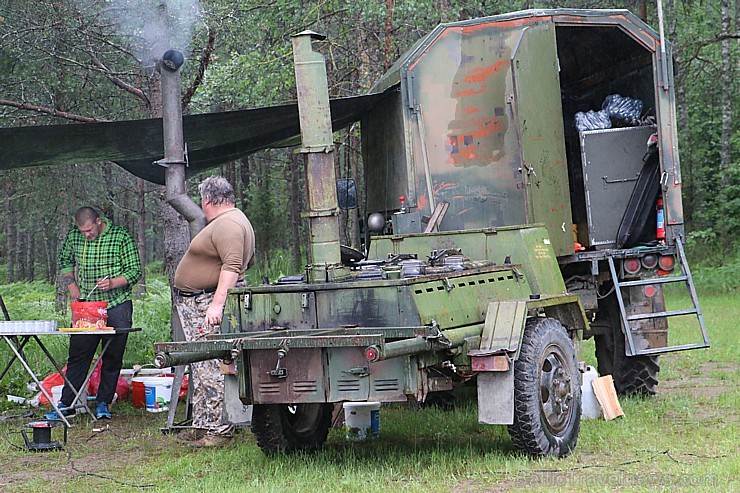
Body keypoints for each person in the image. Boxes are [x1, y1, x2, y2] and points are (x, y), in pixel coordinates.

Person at [173, 176, 255, 448]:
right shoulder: (234, 220)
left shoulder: (229, 223)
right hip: (198, 300)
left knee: (211, 365)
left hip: (204, 302)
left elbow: (232, 266)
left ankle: (219, 431)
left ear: (207, 200)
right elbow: (247, 261)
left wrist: (217, 304)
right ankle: (203, 424)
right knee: (201, 364)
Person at [46, 206, 142, 421]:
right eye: (83, 232)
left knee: (112, 355)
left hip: (117, 303)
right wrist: (73, 286)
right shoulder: (74, 237)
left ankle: (103, 403)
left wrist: (112, 283)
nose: (86, 235)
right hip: (87, 306)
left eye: (89, 230)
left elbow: (135, 271)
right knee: (79, 354)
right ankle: (67, 403)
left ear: (98, 222)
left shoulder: (120, 237)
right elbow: (64, 261)